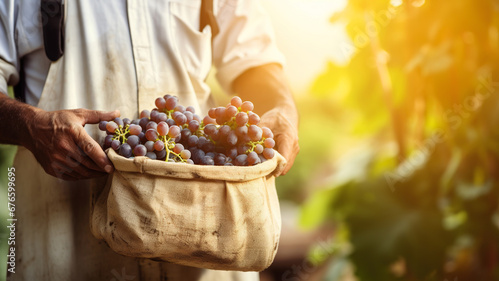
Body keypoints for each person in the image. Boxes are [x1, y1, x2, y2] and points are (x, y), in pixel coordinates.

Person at [0, 0, 299, 280]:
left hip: (205, 235)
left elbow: (254, 60)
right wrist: (29, 126)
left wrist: (282, 106)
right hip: (65, 234)